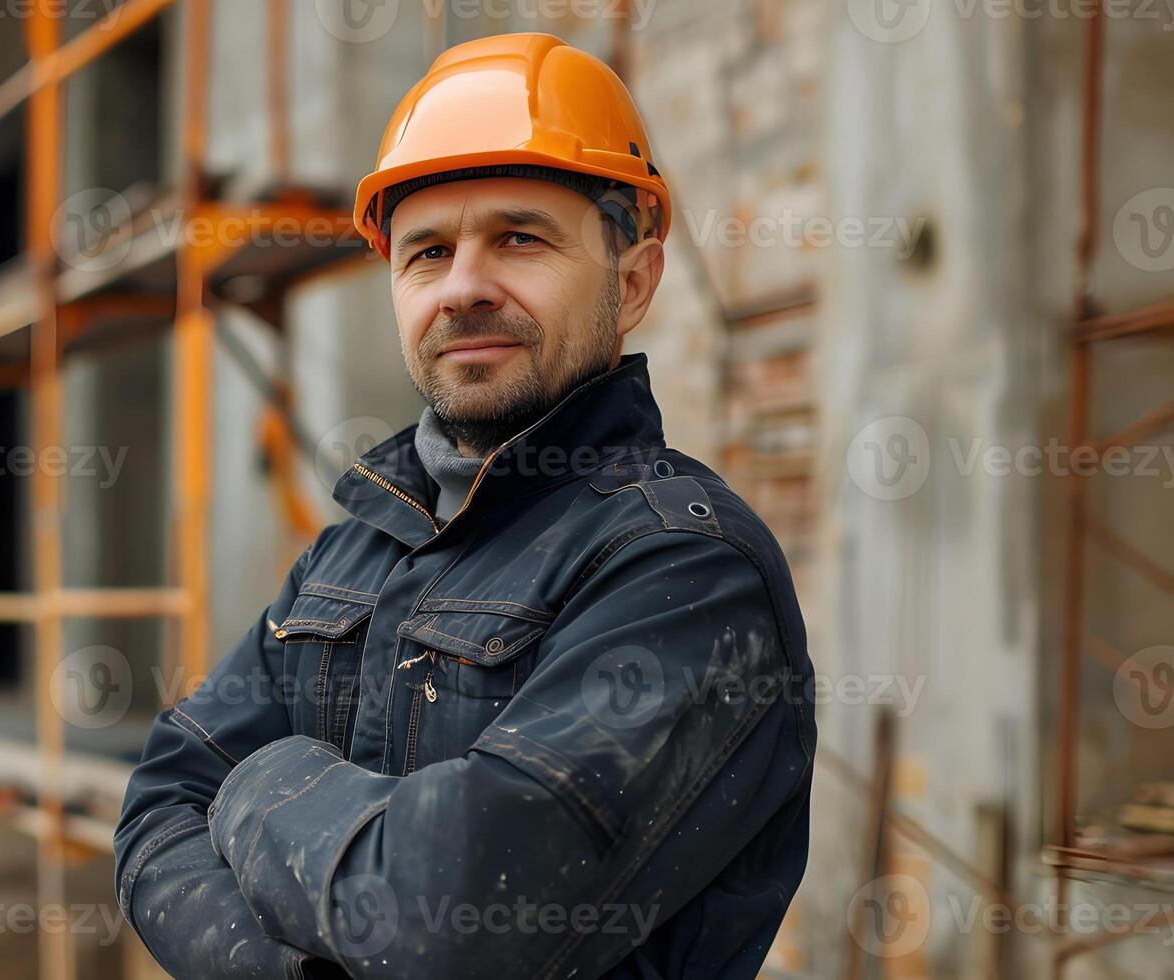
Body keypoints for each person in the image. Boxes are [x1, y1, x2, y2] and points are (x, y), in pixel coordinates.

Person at [114, 32, 816, 979]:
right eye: (427, 252)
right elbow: (158, 806)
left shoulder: (683, 571)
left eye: (519, 238)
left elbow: (449, 924)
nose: (464, 288)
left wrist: (262, 783)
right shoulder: (353, 549)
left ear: (633, 279)